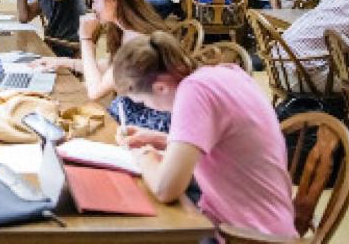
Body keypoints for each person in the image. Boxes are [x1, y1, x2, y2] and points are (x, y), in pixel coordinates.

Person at [113, 32, 297, 241]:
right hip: (267, 221)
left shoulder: (193, 92)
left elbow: (166, 189)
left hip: (247, 235)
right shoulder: (223, 73)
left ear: (160, 87)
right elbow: (225, 145)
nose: (147, 107)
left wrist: (144, 155)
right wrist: (161, 139)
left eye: (143, 102)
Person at [32, 0, 172, 133]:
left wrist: (85, 39)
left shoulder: (137, 39)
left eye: (95, 1)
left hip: (144, 127)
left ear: (113, 0)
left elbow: (96, 91)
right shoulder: (127, 29)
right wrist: (63, 62)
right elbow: (112, 68)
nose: (93, 8)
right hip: (131, 117)